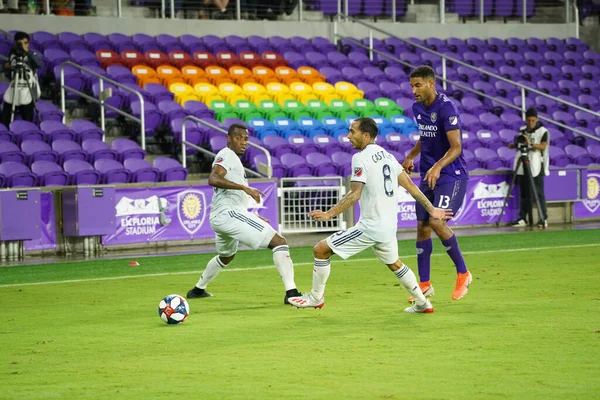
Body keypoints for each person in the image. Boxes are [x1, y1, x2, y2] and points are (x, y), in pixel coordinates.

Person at [287, 118, 453, 313]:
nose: (348, 136)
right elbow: (411, 187)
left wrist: (329, 214)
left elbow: (355, 193)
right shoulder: (388, 156)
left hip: (371, 227)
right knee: (395, 264)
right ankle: (423, 303)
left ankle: (315, 298)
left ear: (365, 135)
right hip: (389, 225)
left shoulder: (360, 157)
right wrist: (431, 208)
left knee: (320, 250)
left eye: (352, 132)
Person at [186, 123, 302, 304]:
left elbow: (231, 197)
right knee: (279, 242)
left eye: (246, 139)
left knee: (226, 256)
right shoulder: (227, 155)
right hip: (227, 214)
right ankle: (292, 293)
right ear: (229, 139)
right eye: (238, 138)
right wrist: (245, 188)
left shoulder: (233, 160)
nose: (243, 142)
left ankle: (197, 290)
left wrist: (251, 216)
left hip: (223, 215)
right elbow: (213, 178)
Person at [401, 65, 472, 303]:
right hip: (428, 175)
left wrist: (438, 166)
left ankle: (463, 273)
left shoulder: (446, 108)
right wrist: (412, 155)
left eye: (418, 85)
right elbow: (426, 135)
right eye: (412, 85)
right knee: (422, 226)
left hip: (451, 175)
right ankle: (425, 284)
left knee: (436, 220)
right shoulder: (417, 108)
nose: (414, 90)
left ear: (431, 83)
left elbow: (456, 147)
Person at [508, 107, 549, 228]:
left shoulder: (543, 131)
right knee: (524, 193)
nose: (530, 123)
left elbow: (543, 146)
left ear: (536, 119)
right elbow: (520, 143)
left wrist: (530, 143)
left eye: (533, 120)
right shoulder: (522, 130)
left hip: (536, 164)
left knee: (539, 193)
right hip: (524, 164)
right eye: (528, 120)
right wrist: (514, 145)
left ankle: (543, 218)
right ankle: (523, 217)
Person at [1, 31, 42, 127]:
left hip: (28, 89)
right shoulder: (12, 55)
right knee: (5, 116)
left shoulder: (32, 54)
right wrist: (7, 68)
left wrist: (27, 52)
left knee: (27, 119)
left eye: (26, 42)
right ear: (15, 43)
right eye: (20, 43)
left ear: (29, 43)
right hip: (14, 88)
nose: (23, 45)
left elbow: (39, 64)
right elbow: (8, 74)